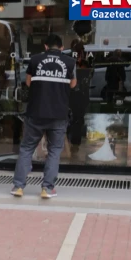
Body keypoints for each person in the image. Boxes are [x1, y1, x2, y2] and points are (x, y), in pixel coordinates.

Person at [12, 34, 77, 199]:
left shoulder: (34, 60)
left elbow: (28, 82)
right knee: (54, 150)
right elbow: (73, 84)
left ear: (46, 47)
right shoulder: (70, 62)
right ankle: (47, 189)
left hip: (36, 112)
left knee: (27, 148)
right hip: (58, 114)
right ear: (62, 48)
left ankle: (18, 187)